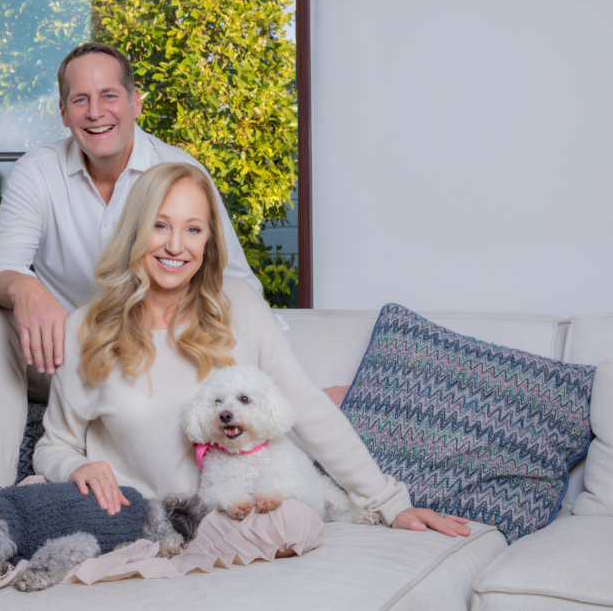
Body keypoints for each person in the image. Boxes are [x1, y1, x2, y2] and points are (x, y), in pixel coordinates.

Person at [34, 163, 473, 536]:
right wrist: (74, 468)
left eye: (193, 229)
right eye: (160, 225)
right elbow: (54, 444)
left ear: (208, 243)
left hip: (237, 524)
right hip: (144, 526)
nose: (174, 245)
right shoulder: (87, 330)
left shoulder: (238, 305)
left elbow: (308, 410)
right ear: (135, 230)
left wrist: (389, 502)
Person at [0, 43, 261, 492]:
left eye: (108, 95)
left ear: (134, 101)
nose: (94, 112)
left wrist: (289, 380)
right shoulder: (38, 172)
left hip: (151, 365)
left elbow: (237, 286)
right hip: (62, 359)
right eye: (79, 99)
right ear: (63, 112)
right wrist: (25, 288)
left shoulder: (179, 172)